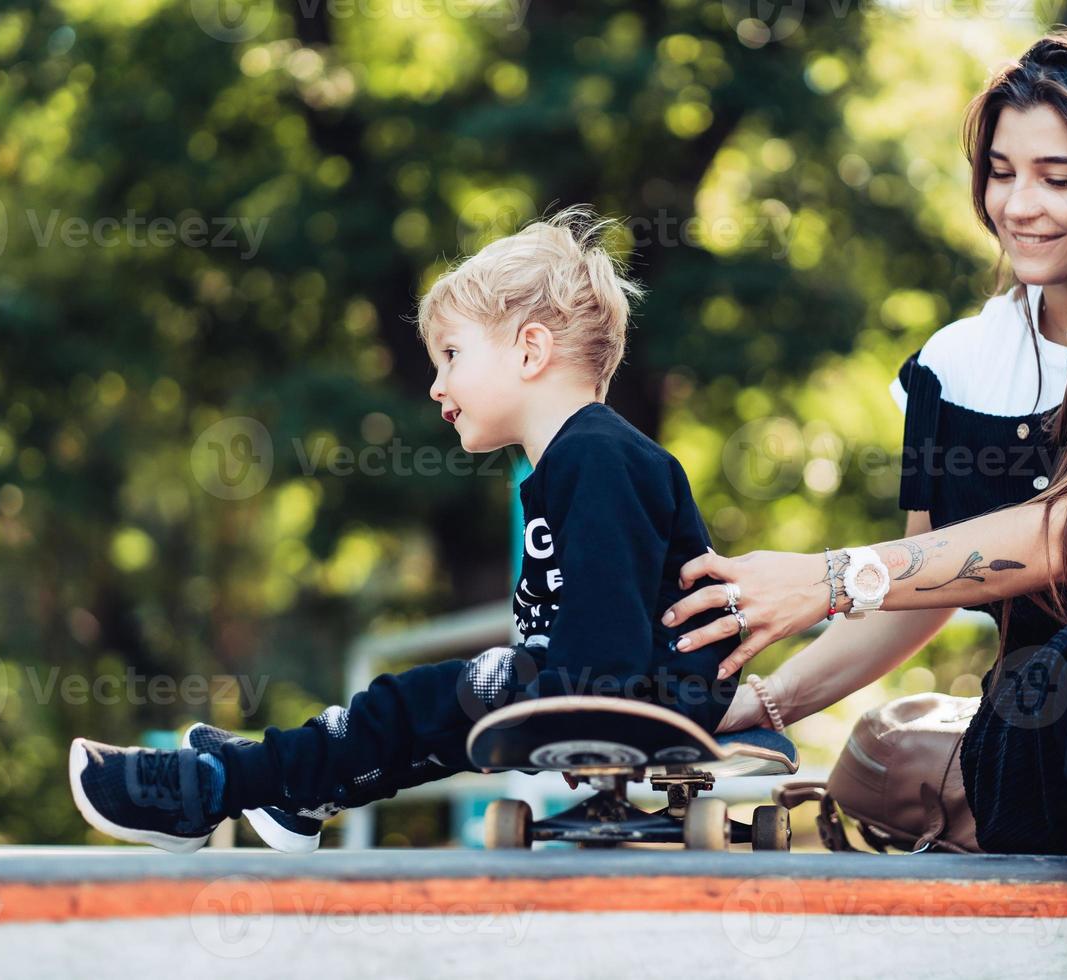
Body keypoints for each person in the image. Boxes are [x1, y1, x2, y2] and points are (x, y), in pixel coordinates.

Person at [660, 28, 1067, 980]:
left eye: (1058, 176)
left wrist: (832, 577)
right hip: (1052, 759)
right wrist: (757, 705)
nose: (1018, 205)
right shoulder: (957, 363)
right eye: (1002, 171)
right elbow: (916, 602)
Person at [68, 207, 743, 853]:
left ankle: (227, 785)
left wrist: (575, 710)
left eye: (451, 354)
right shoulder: (578, 457)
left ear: (531, 350)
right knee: (421, 705)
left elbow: (608, 622)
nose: (436, 386)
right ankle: (279, 779)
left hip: (628, 691)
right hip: (600, 683)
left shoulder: (595, 455)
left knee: (417, 701)